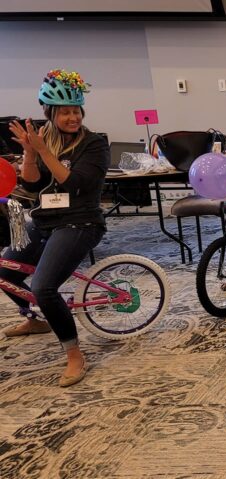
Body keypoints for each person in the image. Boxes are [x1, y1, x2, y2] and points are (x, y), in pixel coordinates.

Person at [1, 69, 109, 387]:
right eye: (65, 112)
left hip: (81, 222)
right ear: (50, 113)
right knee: (6, 273)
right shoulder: (43, 138)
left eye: (76, 111)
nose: (72, 117)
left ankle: (74, 354)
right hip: (46, 220)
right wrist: (31, 152)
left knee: (43, 288)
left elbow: (74, 183)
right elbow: (33, 184)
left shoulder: (95, 144)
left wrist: (44, 150)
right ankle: (34, 319)